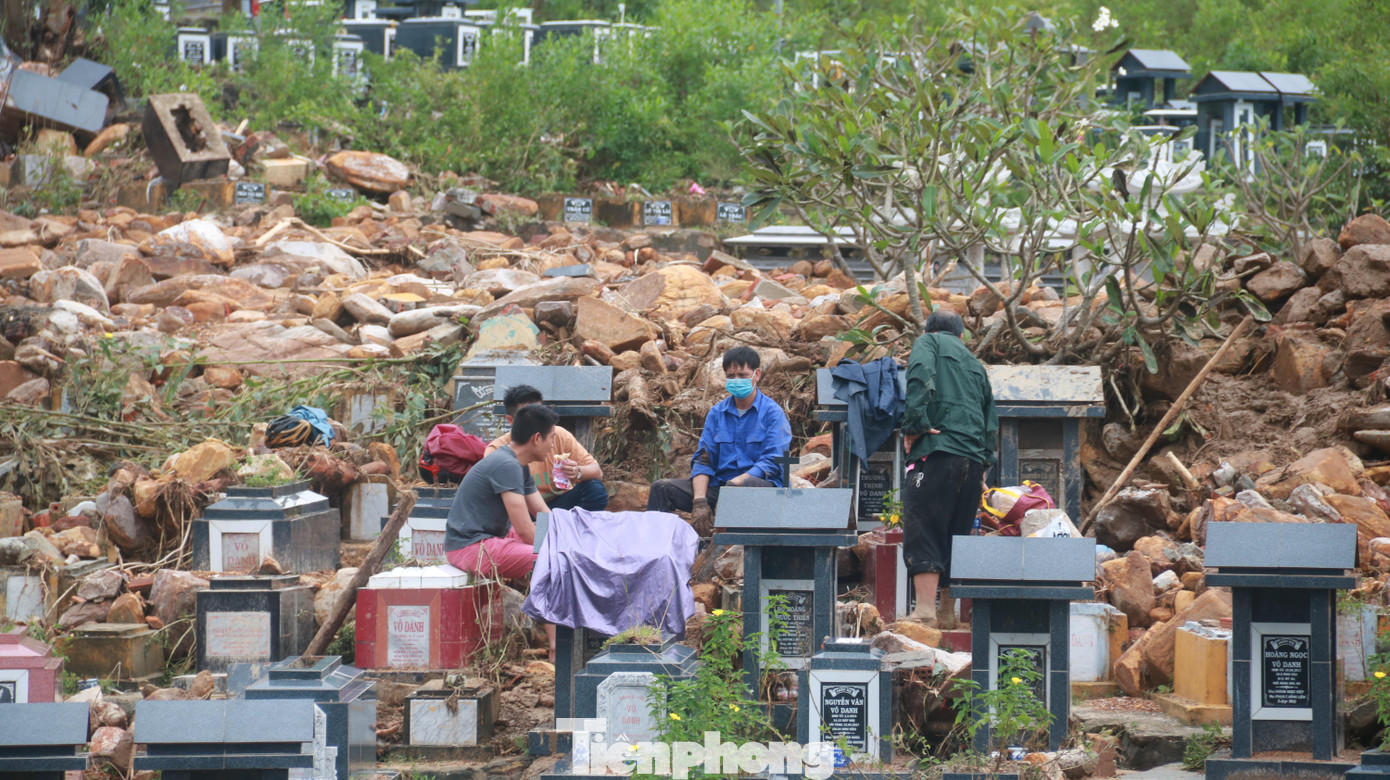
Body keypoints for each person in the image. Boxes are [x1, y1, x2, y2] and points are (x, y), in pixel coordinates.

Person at [901, 310, 998, 628]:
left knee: (925, 527)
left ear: (931, 331)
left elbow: (919, 375)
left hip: (937, 453)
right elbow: (990, 417)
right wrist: (984, 462)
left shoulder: (928, 343)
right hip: (971, 460)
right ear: (960, 337)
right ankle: (947, 613)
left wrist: (914, 425)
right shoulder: (974, 364)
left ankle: (926, 611)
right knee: (957, 532)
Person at [647, 346, 793, 535]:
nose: (736, 380)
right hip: (722, 487)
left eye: (742, 375)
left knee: (746, 488)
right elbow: (704, 459)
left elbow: (771, 462)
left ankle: (733, 550)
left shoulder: (772, 414)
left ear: (757, 375)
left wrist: (735, 484)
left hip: (758, 487)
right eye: (731, 376)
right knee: (662, 488)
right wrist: (699, 500)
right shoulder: (717, 413)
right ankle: (658, 553)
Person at [484, 384, 609, 512]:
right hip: (523, 509)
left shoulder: (558, 436)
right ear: (511, 421)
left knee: (595, 490)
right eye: (528, 419)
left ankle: (568, 526)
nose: (552, 445)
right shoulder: (499, 453)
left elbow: (597, 471)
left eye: (540, 416)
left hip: (556, 504)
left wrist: (577, 471)